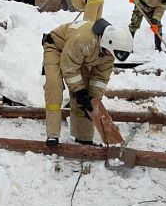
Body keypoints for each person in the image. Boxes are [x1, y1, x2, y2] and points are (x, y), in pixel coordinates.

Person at [42, 18, 133, 146]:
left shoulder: (109, 53)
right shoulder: (85, 41)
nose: (112, 57)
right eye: (112, 53)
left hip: (78, 56)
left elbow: (100, 78)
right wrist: (79, 91)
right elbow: (69, 67)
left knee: (84, 98)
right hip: (56, 47)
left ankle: (83, 137)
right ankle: (52, 134)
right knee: (54, 86)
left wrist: (93, 98)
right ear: (107, 43)